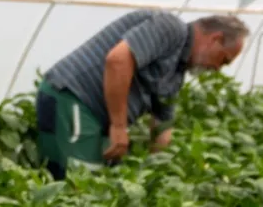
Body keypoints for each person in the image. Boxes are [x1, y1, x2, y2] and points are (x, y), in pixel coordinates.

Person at [34, 10, 248, 180]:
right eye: (224, 59)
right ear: (216, 39)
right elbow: (118, 60)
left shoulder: (176, 71)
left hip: (93, 115)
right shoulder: (170, 28)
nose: (219, 69)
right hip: (73, 98)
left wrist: (156, 172)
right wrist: (118, 127)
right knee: (79, 186)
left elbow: (162, 126)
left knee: (95, 185)